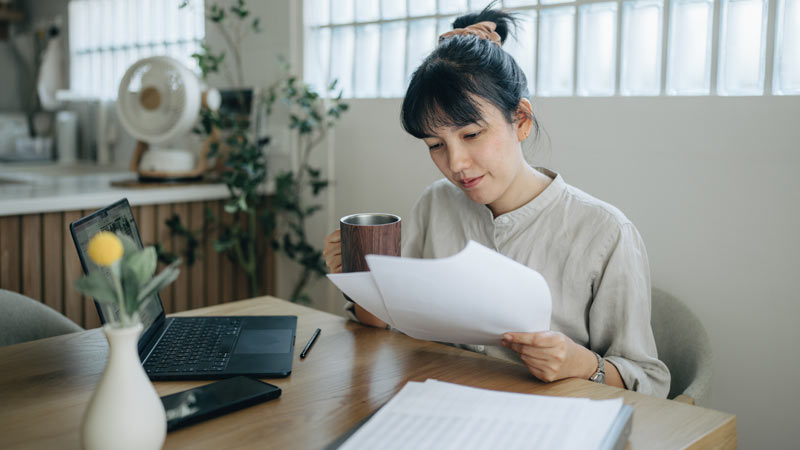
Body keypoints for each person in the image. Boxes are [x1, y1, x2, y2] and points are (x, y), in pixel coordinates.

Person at [323, 7, 670, 397]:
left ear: (520, 119)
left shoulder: (605, 232)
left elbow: (649, 382)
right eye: (436, 145)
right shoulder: (436, 203)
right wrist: (360, 280)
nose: (455, 164)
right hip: (438, 407)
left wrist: (582, 364)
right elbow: (388, 323)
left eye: (471, 135)